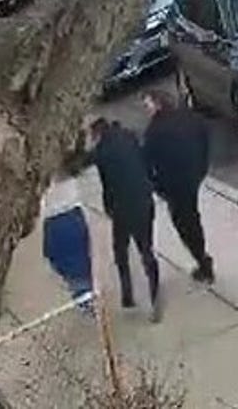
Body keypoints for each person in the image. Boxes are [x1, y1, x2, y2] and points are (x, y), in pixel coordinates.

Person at [87, 116, 161, 322]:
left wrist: (109, 208)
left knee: (121, 250)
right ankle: (155, 295)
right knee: (146, 250)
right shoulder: (129, 137)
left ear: (97, 134)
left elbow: (107, 184)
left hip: (122, 208)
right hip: (144, 201)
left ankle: (127, 294)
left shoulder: (102, 152)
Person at [141, 89, 215, 283]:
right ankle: (202, 258)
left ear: (157, 103)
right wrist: (201, 167)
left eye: (147, 104)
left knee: (184, 223)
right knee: (192, 218)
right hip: (192, 177)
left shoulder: (153, 132)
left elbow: (147, 164)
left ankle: (202, 261)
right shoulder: (190, 118)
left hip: (173, 186)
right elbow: (204, 137)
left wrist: (158, 188)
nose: (146, 109)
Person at [40, 169, 94, 317]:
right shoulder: (69, 173)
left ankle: (85, 299)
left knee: (73, 269)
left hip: (56, 219)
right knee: (80, 261)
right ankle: (86, 297)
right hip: (71, 214)